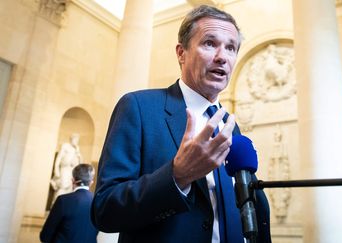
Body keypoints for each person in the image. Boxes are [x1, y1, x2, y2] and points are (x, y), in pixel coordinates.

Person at [91, 5, 271, 243]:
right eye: (209, 43)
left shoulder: (230, 126)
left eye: (231, 47)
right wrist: (177, 176)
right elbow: (105, 209)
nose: (222, 56)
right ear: (181, 53)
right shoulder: (138, 108)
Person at [40, 163, 98, 243]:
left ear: (73, 180)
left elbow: (45, 236)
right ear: (91, 182)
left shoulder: (63, 201)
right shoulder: (97, 201)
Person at [50, 133, 83, 202]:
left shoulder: (77, 148)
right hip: (65, 169)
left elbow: (80, 162)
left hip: (72, 171)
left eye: (77, 140)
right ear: (72, 139)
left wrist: (78, 153)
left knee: (70, 189)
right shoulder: (65, 146)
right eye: (75, 139)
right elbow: (59, 158)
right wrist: (56, 170)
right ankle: (56, 203)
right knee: (62, 187)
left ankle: (64, 204)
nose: (76, 141)